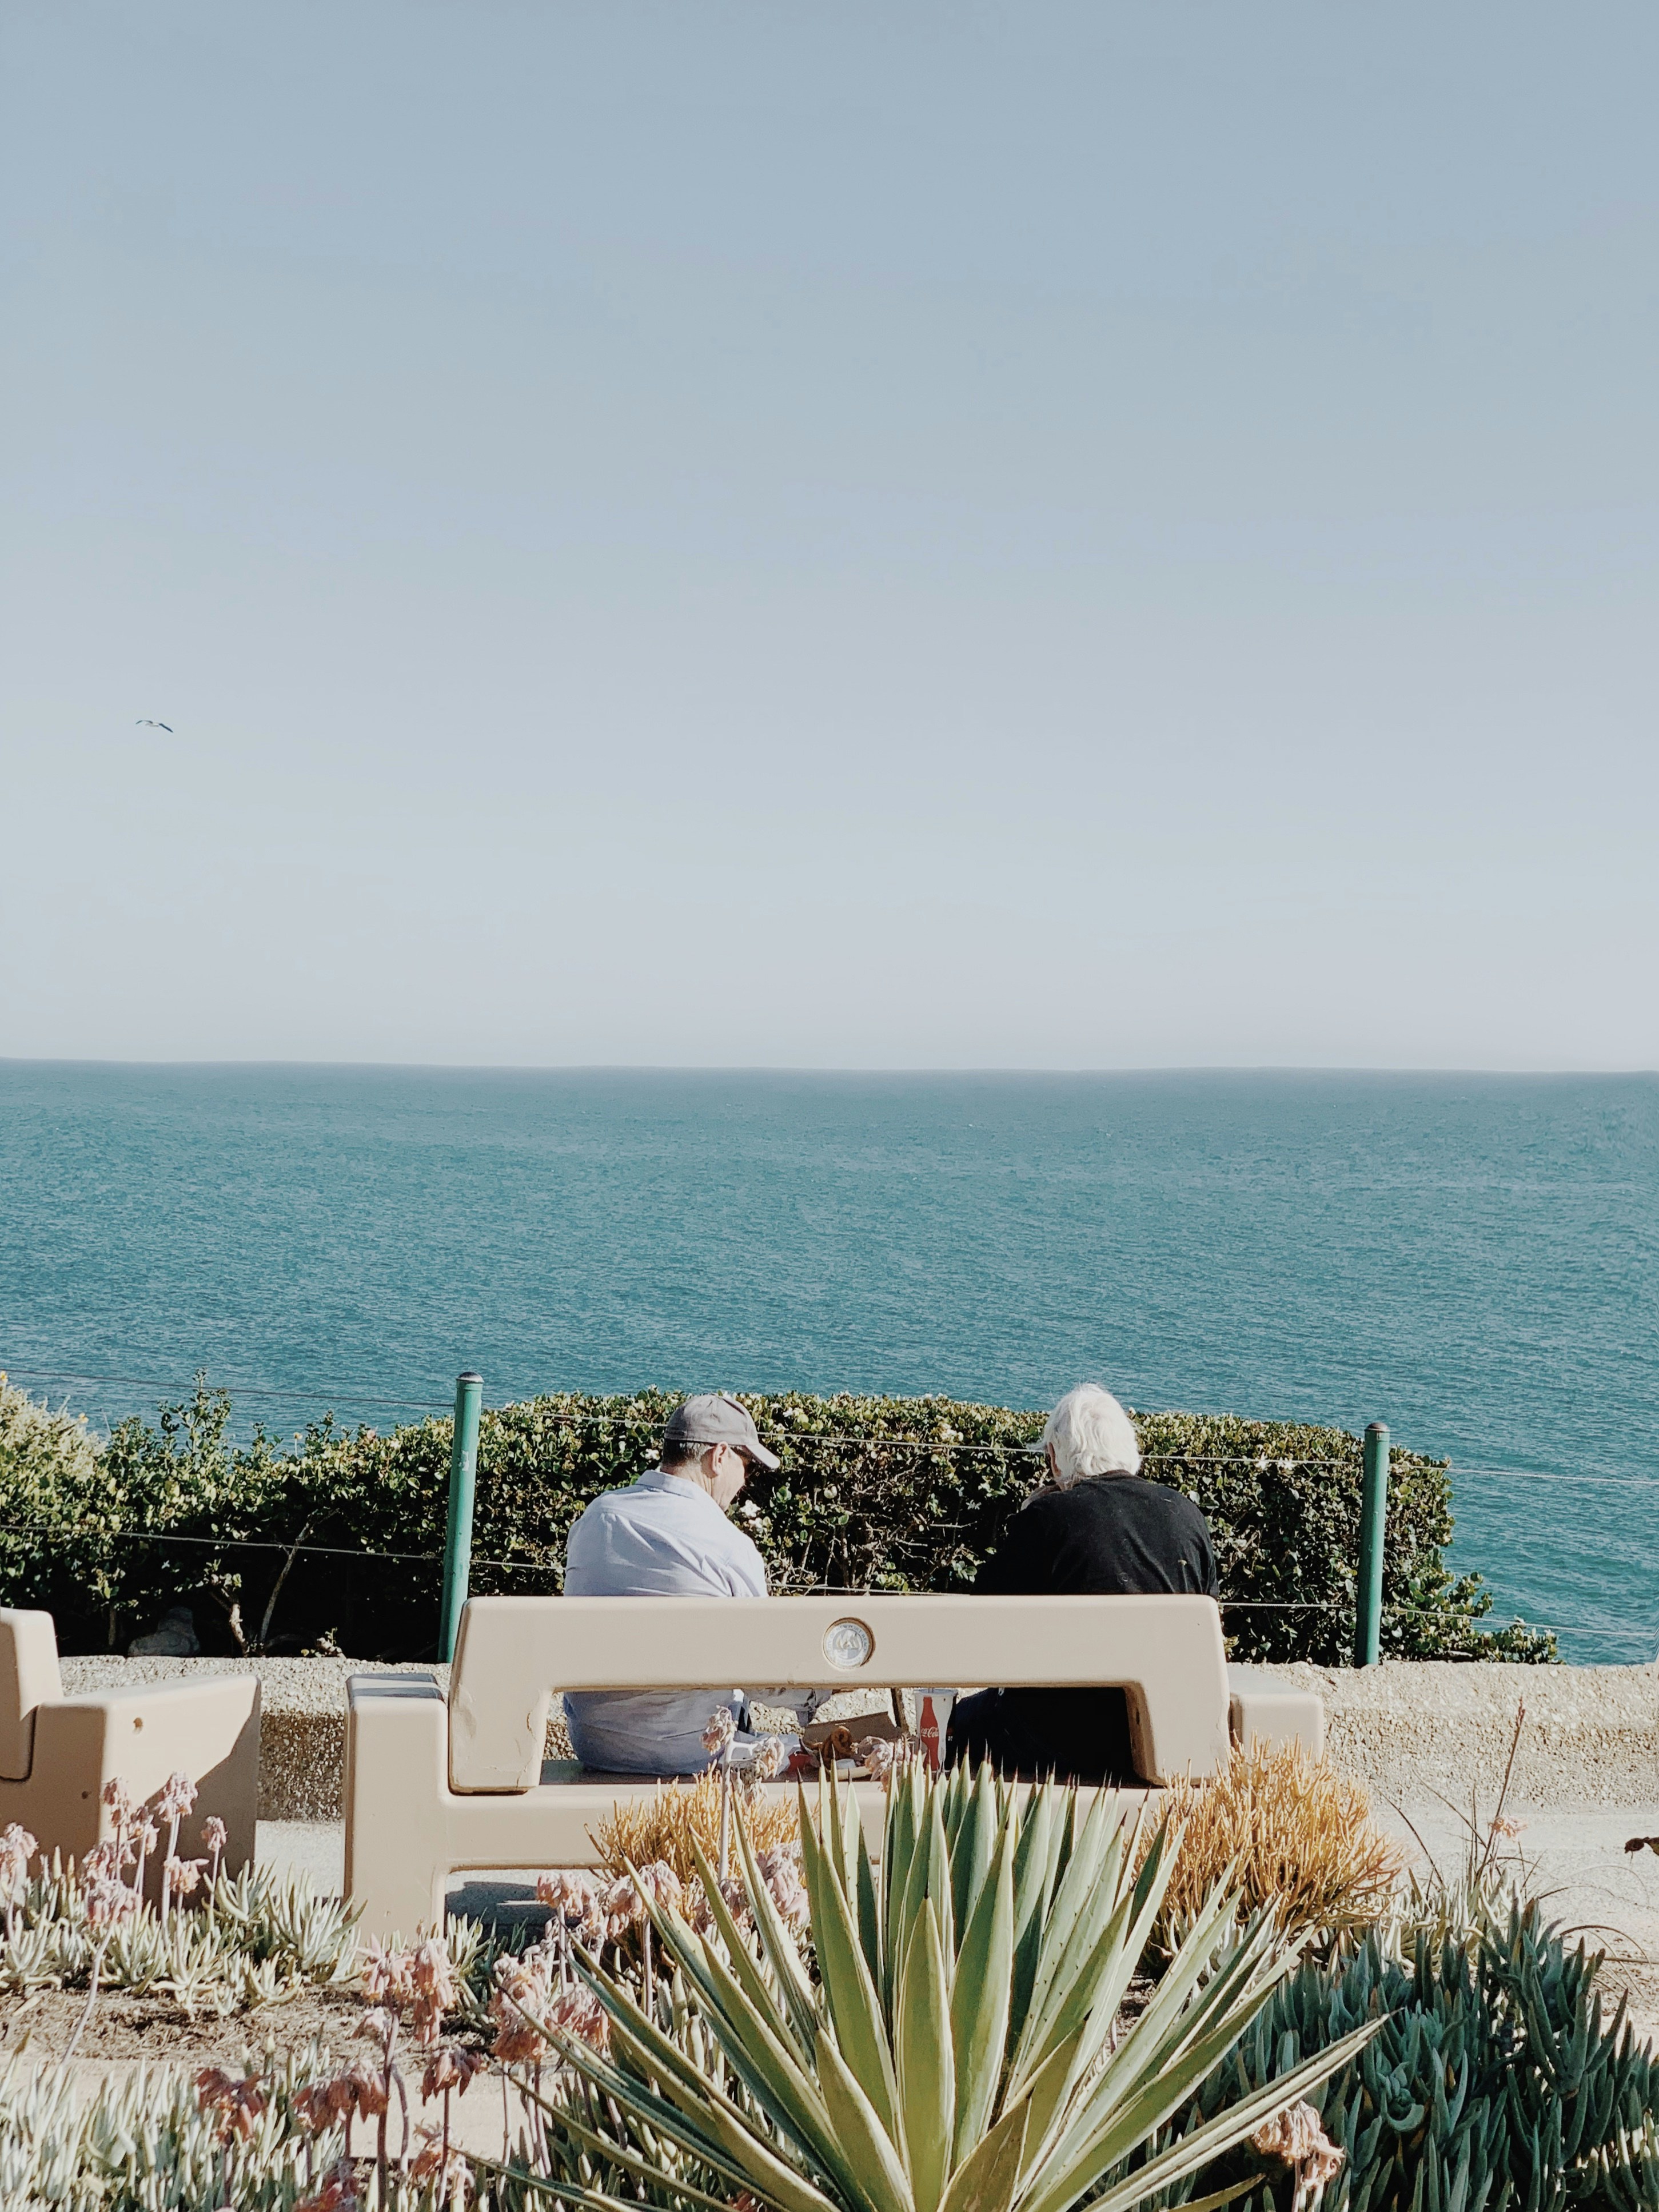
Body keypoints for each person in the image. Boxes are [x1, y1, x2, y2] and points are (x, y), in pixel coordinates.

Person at [947, 1382, 1218, 1784]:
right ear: (1129, 1450)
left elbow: (980, 1628)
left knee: (950, 1727)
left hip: (1054, 1740)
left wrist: (1031, 1512)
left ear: (1054, 1457)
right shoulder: (1187, 1516)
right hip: (1159, 1740)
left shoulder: (1049, 1519)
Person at [562, 1392, 825, 1776]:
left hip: (597, 1746)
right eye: (746, 1463)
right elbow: (765, 1674)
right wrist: (823, 1691)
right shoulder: (730, 1546)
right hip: (698, 1755)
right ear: (719, 1456)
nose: (745, 1479)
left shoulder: (596, 1519)